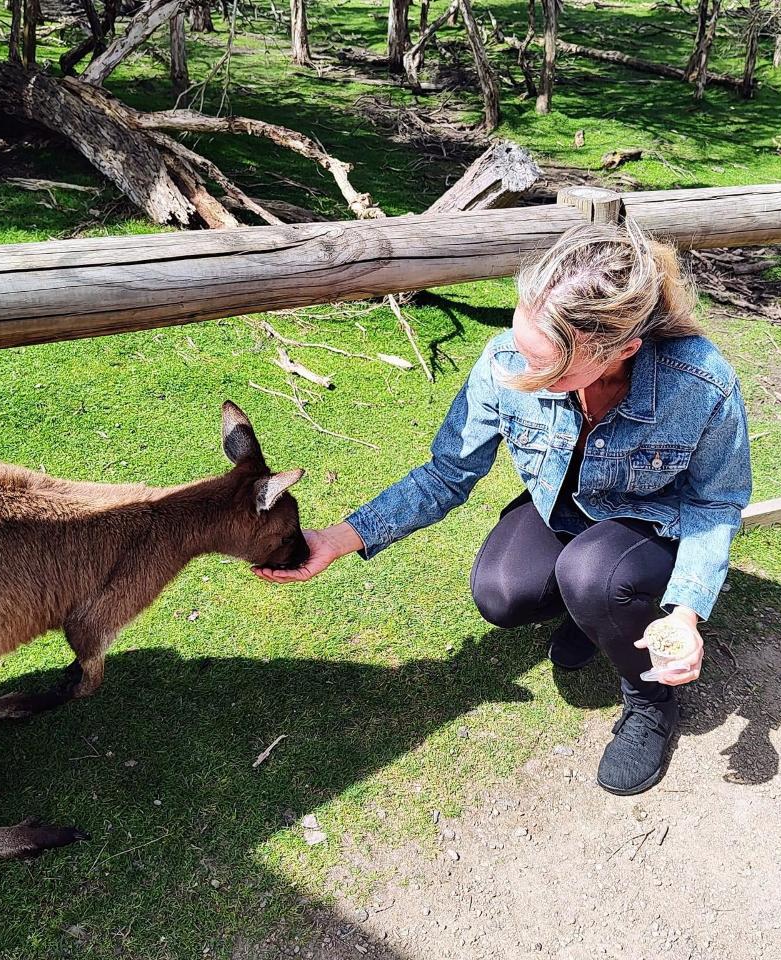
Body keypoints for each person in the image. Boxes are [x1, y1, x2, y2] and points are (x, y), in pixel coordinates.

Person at [255, 220, 752, 796]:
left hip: (649, 524)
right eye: (520, 346)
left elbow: (717, 502)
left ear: (623, 350)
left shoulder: (699, 382)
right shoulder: (503, 359)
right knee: (502, 593)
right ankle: (592, 613)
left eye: (551, 369)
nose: (524, 374)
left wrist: (686, 612)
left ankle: (650, 704)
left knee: (593, 574)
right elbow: (447, 471)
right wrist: (341, 537)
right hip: (563, 509)